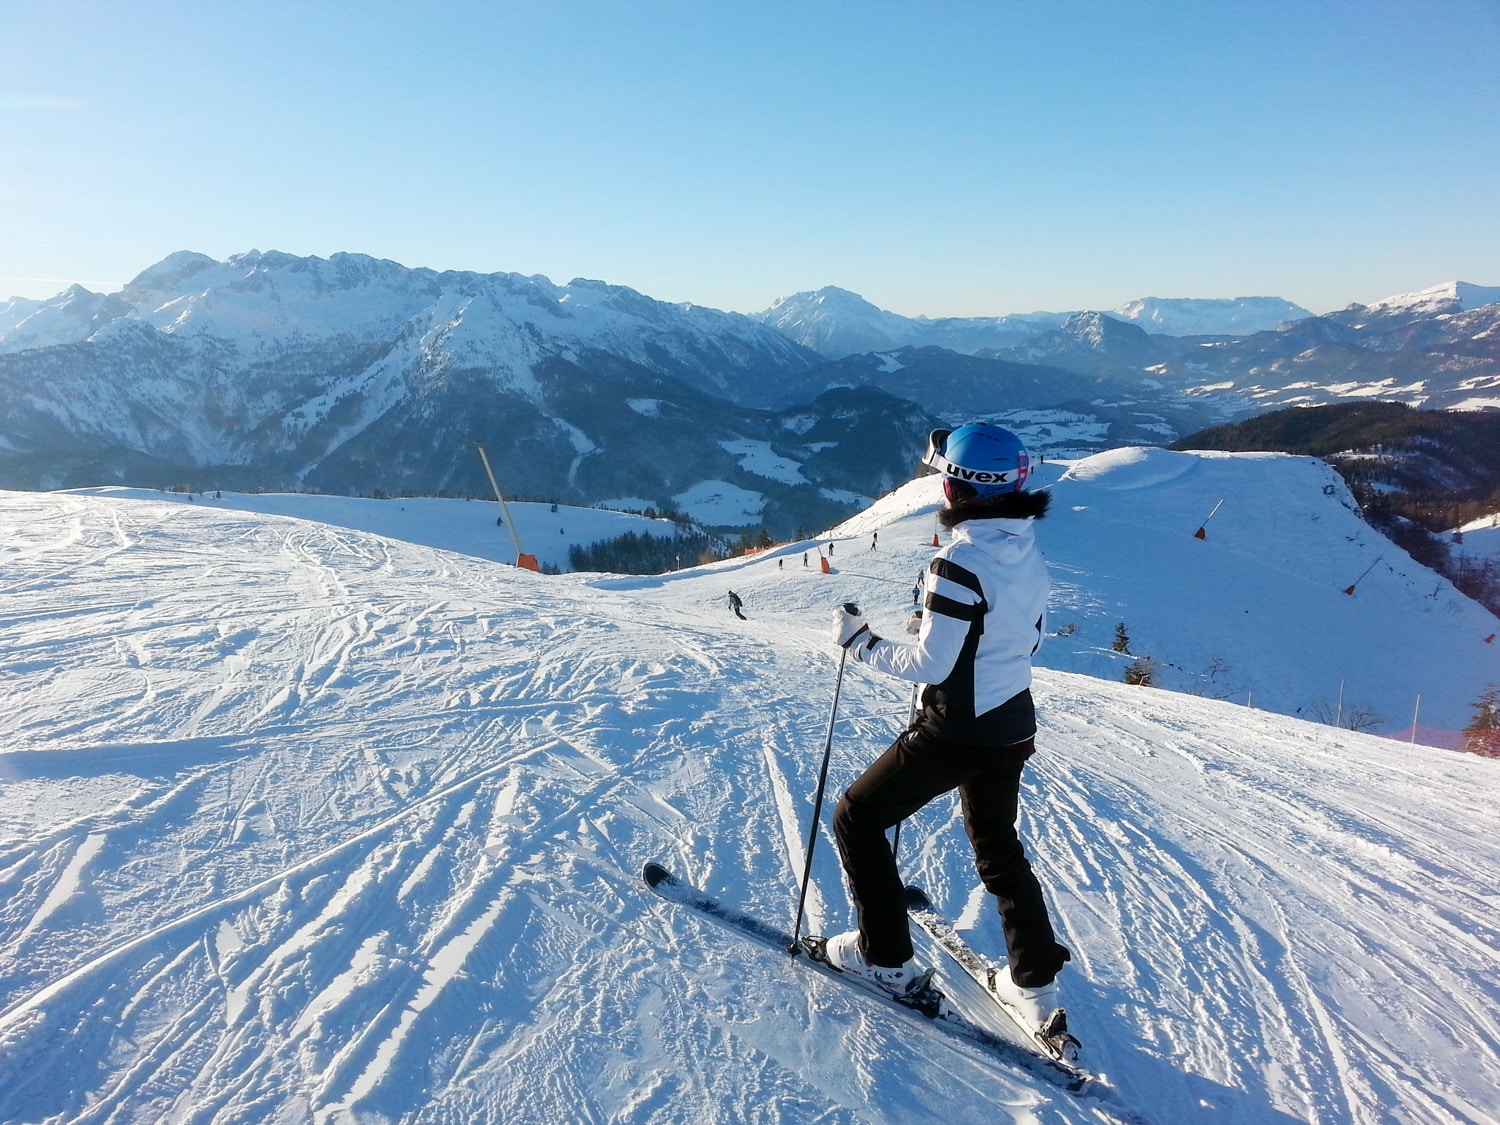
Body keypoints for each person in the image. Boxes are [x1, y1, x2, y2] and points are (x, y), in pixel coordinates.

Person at [824, 423, 1070, 1031]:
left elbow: (931, 663)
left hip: (957, 730)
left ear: (958, 489)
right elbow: (1027, 638)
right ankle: (1032, 981)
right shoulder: (1024, 547)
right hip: (1012, 722)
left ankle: (885, 958)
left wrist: (860, 642)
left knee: (857, 817)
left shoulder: (959, 561)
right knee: (996, 843)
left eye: (945, 478)